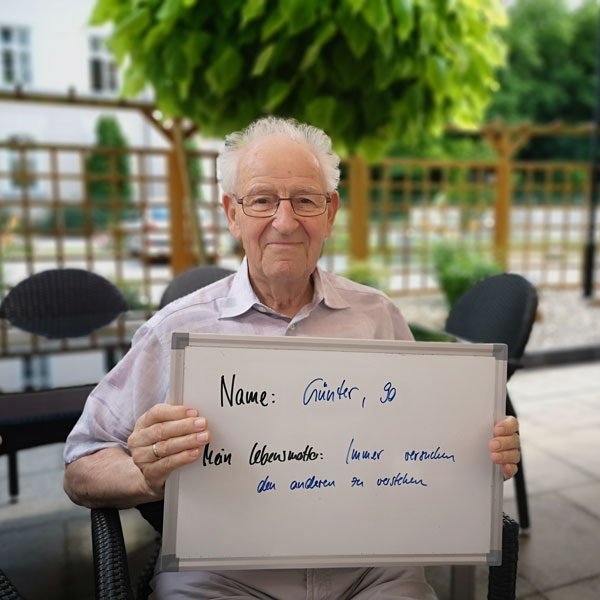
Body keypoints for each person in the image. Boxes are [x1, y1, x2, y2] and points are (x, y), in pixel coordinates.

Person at [64, 116, 520, 600]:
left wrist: (481, 450)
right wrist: (145, 473)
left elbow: (426, 442)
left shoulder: (378, 316)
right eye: (262, 200)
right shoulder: (176, 330)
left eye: (305, 200)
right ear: (232, 214)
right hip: (222, 576)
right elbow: (81, 464)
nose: (285, 222)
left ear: (330, 212)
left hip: (372, 571)